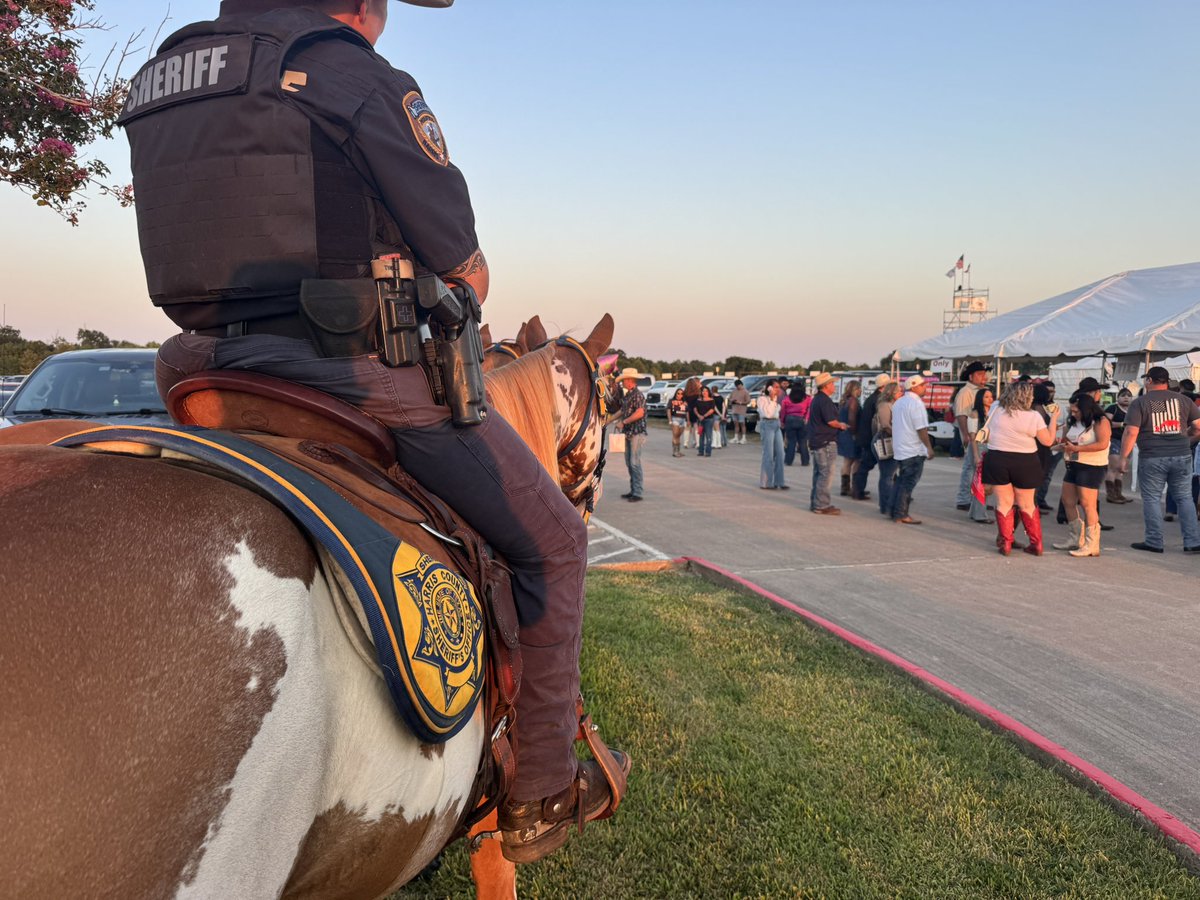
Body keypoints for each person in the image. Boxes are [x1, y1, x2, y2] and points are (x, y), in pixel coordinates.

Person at [120, 0, 625, 862]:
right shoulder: (348, 70)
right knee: (553, 543)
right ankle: (541, 788)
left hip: (198, 369)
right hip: (347, 375)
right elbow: (464, 266)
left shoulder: (159, 79)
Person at [1117, 366, 1200, 553]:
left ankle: (1154, 541)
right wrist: (1184, 439)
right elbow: (1197, 428)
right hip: (1181, 455)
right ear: (1167, 381)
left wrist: (1124, 458)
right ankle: (1193, 542)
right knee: (1185, 498)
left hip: (1153, 456)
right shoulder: (1185, 400)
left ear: (1149, 381)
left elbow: (1131, 432)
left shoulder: (1140, 403)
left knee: (1152, 499)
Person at [982, 382, 1056, 555]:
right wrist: (1053, 419)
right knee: (1027, 504)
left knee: (1003, 502)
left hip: (997, 458)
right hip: (1026, 460)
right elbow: (1048, 441)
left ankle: (1006, 543)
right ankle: (1036, 544)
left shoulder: (996, 409)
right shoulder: (1034, 416)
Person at [1051, 394, 1111, 557]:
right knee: (1068, 501)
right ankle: (1076, 537)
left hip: (1092, 466)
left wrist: (1078, 449)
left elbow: (1102, 443)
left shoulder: (1100, 421)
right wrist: (1061, 445)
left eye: (1076, 411)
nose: (1073, 414)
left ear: (1086, 409)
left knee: (1087, 503)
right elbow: (1066, 438)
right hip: (1073, 463)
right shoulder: (1073, 422)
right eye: (1071, 411)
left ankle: (1092, 544)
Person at [889, 375, 934, 524]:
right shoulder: (916, 403)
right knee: (908, 483)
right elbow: (921, 428)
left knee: (901, 481)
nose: (925, 388)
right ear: (914, 387)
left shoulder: (899, 402)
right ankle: (901, 514)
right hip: (913, 449)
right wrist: (928, 447)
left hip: (901, 448)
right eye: (922, 385)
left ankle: (893, 510)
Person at [808, 372, 847, 514]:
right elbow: (831, 421)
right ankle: (822, 505)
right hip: (825, 441)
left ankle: (816, 502)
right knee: (826, 474)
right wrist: (841, 425)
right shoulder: (824, 400)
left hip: (818, 440)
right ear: (825, 386)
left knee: (819, 473)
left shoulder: (817, 399)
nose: (834, 385)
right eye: (831, 383)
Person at [953, 361, 990, 512]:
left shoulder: (982, 390)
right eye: (980, 374)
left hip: (981, 433)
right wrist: (965, 435)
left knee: (978, 469)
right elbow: (961, 415)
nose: (984, 377)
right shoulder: (966, 392)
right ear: (971, 376)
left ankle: (977, 499)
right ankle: (964, 499)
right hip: (970, 432)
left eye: (984, 374)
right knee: (969, 467)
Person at [851, 374, 890, 501]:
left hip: (866, 436)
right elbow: (879, 422)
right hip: (871, 438)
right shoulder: (879, 400)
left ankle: (857, 490)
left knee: (866, 465)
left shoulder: (872, 398)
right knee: (870, 465)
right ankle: (858, 491)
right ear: (883, 387)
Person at [615, 368, 647, 500]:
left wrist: (624, 422)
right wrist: (608, 420)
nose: (622, 383)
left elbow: (640, 413)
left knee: (634, 462)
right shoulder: (628, 395)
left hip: (636, 433)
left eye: (624, 380)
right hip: (629, 432)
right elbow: (622, 411)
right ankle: (634, 490)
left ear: (629, 381)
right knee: (630, 463)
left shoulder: (638, 395)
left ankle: (637, 492)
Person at [966, 384, 996, 524]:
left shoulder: (992, 413)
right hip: (979, 447)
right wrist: (977, 455)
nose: (990, 399)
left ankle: (975, 511)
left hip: (990, 448)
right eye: (986, 397)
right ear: (980, 398)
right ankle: (980, 514)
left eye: (991, 396)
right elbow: (972, 437)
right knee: (981, 482)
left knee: (983, 481)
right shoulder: (975, 414)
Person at [872, 381, 901, 518]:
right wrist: (900, 435)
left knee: (889, 475)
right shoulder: (884, 405)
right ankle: (886, 505)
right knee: (887, 475)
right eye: (898, 391)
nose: (901, 393)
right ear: (892, 393)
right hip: (884, 441)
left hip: (890, 440)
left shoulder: (893, 405)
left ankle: (887, 503)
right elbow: (885, 425)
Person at [1033, 381, 1063, 512]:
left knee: (1041, 477)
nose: (1051, 394)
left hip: (1041, 447)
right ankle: (1033, 507)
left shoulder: (1036, 407)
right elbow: (1042, 431)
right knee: (1038, 478)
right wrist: (1054, 422)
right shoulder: (1038, 409)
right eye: (1049, 392)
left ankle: (1036, 504)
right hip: (1041, 447)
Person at [1104, 386, 1134, 503]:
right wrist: (1122, 424)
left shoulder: (1133, 409)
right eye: (1123, 395)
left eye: (1128, 395)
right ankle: (1110, 494)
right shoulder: (1113, 408)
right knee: (1114, 467)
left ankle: (1118, 493)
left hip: (1127, 442)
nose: (1126, 397)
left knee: (1122, 469)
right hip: (1114, 440)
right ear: (1118, 398)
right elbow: (1106, 423)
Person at [757, 379, 787, 490]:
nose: (777, 389)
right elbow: (768, 414)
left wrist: (775, 400)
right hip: (767, 424)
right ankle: (766, 482)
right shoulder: (762, 399)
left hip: (776, 425)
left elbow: (776, 414)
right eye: (775, 387)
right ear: (769, 388)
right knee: (768, 454)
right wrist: (772, 398)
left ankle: (779, 481)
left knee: (780, 453)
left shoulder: (777, 400)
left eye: (778, 387)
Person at [836, 380, 862, 497]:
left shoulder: (843, 401)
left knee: (847, 462)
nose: (861, 391)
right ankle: (855, 487)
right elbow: (852, 419)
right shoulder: (853, 401)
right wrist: (855, 433)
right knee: (856, 461)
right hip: (851, 433)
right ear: (855, 389)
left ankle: (844, 487)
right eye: (859, 388)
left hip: (843, 433)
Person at [782, 383, 810, 466]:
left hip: (790, 419)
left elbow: (783, 411)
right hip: (802, 419)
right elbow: (809, 409)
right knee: (803, 441)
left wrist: (782, 421)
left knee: (791, 442)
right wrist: (806, 418)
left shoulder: (786, 399)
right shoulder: (808, 398)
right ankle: (805, 461)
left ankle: (788, 461)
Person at [693, 386, 717, 457]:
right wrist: (698, 415)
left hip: (708, 420)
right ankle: (701, 451)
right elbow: (695, 408)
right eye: (703, 391)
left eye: (706, 391)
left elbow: (712, 410)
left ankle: (708, 452)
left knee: (708, 436)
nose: (704, 392)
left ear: (708, 392)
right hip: (700, 420)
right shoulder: (698, 400)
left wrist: (704, 416)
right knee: (701, 435)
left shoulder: (711, 400)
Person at [728, 379, 751, 444]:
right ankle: (736, 437)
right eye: (736, 386)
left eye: (738, 385)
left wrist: (740, 402)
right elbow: (730, 398)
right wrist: (732, 400)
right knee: (736, 424)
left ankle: (744, 438)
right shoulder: (734, 391)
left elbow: (748, 401)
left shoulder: (745, 391)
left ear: (741, 384)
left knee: (742, 424)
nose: (738, 387)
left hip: (742, 410)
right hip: (734, 409)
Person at [668, 387, 688, 458]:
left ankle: (678, 451)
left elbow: (687, 412)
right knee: (675, 435)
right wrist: (670, 420)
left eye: (681, 394)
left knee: (679, 436)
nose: (679, 395)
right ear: (676, 394)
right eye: (678, 393)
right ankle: (675, 452)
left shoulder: (685, 402)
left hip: (683, 420)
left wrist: (688, 421)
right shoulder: (671, 401)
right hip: (675, 419)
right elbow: (668, 411)